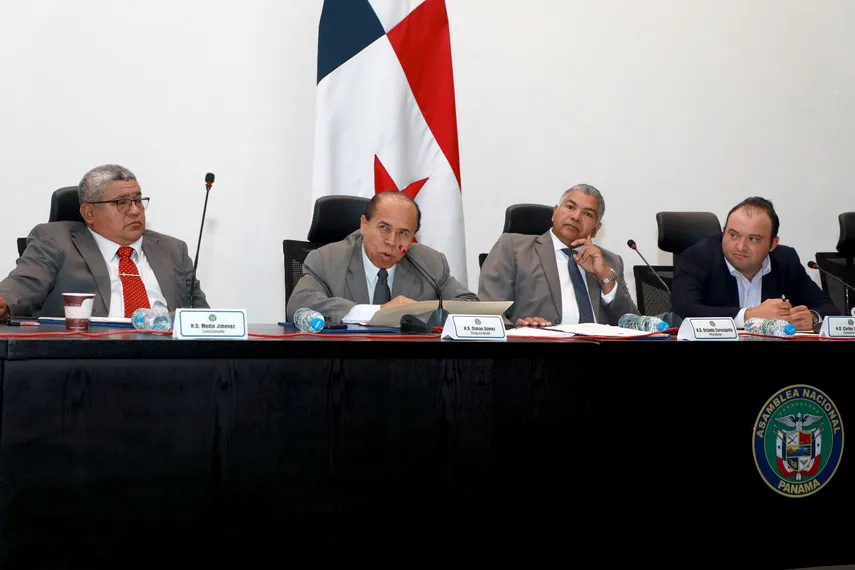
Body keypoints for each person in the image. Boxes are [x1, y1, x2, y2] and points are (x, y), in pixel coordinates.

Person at [0, 164, 208, 319]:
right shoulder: (56, 241)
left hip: (168, 359)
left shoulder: (172, 250)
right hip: (90, 360)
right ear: (89, 213)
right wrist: (4, 301)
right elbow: (25, 284)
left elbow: (202, 317)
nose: (135, 210)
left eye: (138, 200)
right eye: (122, 203)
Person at [287, 191, 477, 323]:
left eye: (404, 233)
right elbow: (299, 304)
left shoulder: (430, 264)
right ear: (364, 225)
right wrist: (377, 313)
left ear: (413, 238)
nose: (392, 241)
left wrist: (423, 312)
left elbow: (471, 306)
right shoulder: (326, 260)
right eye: (384, 228)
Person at [478, 184, 638, 327]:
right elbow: (489, 310)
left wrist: (605, 276)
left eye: (588, 214)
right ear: (555, 213)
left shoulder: (610, 261)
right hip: (537, 354)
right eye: (570, 207)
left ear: (596, 229)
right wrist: (519, 330)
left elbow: (633, 323)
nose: (576, 217)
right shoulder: (514, 247)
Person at [671, 196, 839, 330]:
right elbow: (685, 310)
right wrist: (749, 316)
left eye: (753, 239)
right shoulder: (698, 257)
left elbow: (829, 309)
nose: (741, 246)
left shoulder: (786, 260)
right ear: (723, 232)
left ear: (773, 244)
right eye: (733, 235)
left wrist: (811, 318)